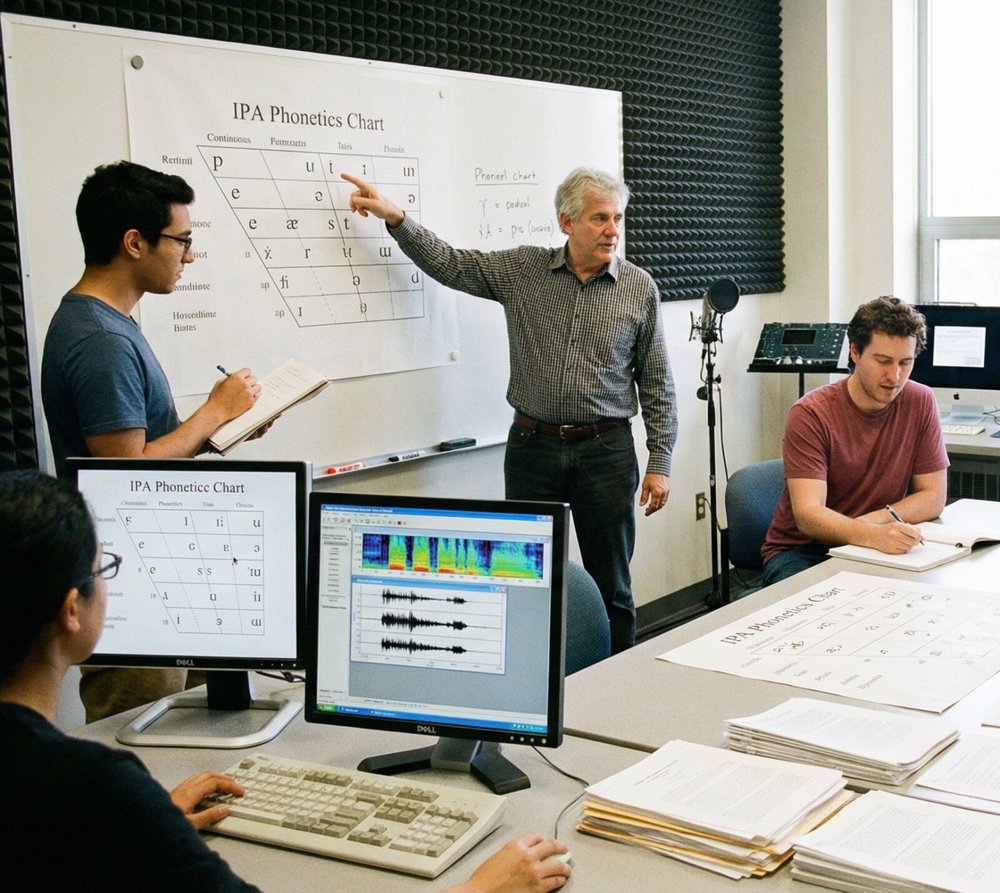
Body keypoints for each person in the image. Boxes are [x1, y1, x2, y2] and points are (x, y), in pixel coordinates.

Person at [0, 470, 572, 892]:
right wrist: (478, 891)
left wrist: (146, 830)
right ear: (72, 609)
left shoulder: (78, 798)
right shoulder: (88, 786)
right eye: (104, 569)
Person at [343, 168, 676, 654]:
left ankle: (618, 677)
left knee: (612, 587)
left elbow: (658, 382)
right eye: (599, 218)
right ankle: (529, 679)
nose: (613, 230)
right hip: (531, 449)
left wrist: (660, 462)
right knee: (522, 578)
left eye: (617, 218)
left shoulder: (638, 287)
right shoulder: (524, 271)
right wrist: (396, 218)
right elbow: (452, 264)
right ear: (567, 222)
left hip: (605, 452)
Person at [42, 161, 265, 722]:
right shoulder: (101, 341)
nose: (189, 255)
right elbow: (126, 475)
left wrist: (220, 428)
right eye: (182, 240)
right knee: (141, 739)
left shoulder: (106, 324)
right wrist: (213, 412)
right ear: (134, 243)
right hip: (136, 583)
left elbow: (145, 450)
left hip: (158, 573)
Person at [759, 297, 948, 585]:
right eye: (883, 361)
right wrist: (872, 534)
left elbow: (933, 496)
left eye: (905, 362)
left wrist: (872, 526)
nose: (895, 376)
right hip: (804, 551)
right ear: (855, 352)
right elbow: (809, 516)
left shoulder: (920, 400)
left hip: (876, 541)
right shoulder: (810, 413)